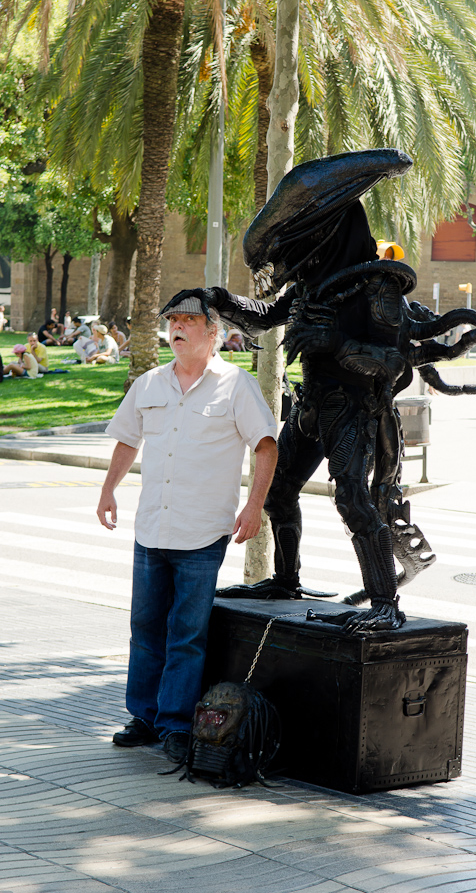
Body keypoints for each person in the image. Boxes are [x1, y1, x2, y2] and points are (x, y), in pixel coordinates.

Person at [97, 289, 278, 762]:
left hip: (202, 531)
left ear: (213, 333)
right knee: (144, 627)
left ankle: (176, 724)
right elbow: (126, 440)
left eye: (188, 320)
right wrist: (108, 489)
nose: (176, 327)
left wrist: (254, 507)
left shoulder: (236, 385)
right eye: (172, 320)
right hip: (151, 527)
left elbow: (265, 445)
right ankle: (143, 716)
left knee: (187, 633)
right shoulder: (150, 383)